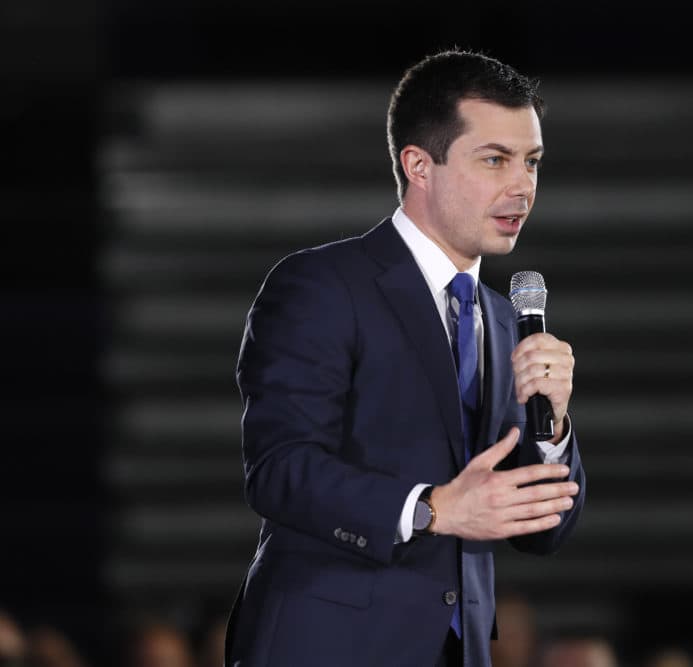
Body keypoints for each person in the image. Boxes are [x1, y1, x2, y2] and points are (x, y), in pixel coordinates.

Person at [224, 49, 586, 667]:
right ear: (419, 165)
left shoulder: (504, 321)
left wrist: (553, 428)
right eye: (494, 159)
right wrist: (434, 507)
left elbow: (545, 529)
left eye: (531, 161)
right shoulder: (324, 284)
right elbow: (280, 470)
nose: (522, 185)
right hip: (325, 647)